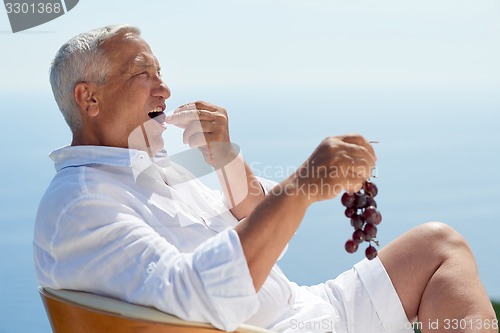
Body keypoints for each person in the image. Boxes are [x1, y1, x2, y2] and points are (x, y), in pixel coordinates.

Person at [34, 24, 497, 333]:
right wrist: (302, 185)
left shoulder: (149, 168)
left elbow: (262, 225)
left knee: (438, 246)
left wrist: (226, 158)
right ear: (88, 99)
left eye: (161, 71)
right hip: (279, 328)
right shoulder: (81, 203)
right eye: (142, 73)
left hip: (306, 308)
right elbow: (201, 295)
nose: (164, 87)